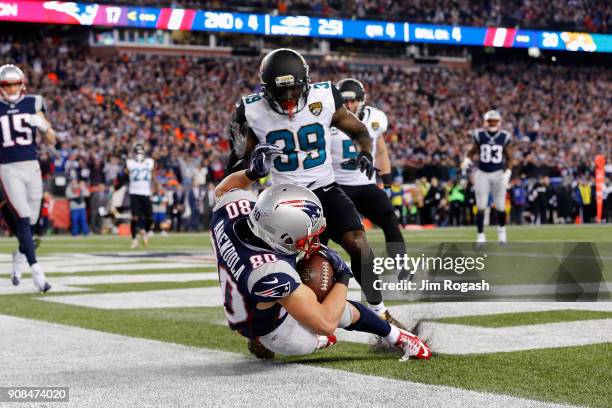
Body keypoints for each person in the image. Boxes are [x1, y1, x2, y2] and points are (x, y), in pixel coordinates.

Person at [226, 49, 404, 328]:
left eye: (294, 89)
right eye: (280, 92)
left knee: (358, 242)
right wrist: (252, 163)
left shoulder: (325, 96)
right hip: (281, 197)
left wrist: (366, 153)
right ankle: (263, 328)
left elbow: (359, 131)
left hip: (323, 186)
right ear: (265, 90)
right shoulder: (249, 109)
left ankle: (379, 310)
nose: (288, 99)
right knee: (273, 266)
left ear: (306, 82)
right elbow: (235, 160)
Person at [213, 143, 430, 360]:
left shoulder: (233, 211)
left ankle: (397, 336)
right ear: (282, 236)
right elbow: (325, 322)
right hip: (266, 326)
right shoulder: (270, 271)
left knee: (335, 305)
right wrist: (343, 276)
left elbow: (223, 190)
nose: (313, 240)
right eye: (306, 237)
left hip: (254, 290)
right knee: (317, 328)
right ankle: (310, 342)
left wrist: (252, 173)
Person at [330, 78, 408, 280]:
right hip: (336, 185)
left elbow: (380, 151)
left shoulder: (376, 118)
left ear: (362, 100)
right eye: (345, 100)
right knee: (325, 232)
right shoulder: (328, 117)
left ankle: (401, 265)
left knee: (390, 218)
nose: (349, 105)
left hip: (365, 184)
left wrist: (387, 182)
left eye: (354, 100)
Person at [0, 64, 54, 291]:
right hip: (8, 168)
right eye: (6, 85)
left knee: (31, 222)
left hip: (32, 167)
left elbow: (51, 138)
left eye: (15, 84)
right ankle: (36, 271)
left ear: (22, 84)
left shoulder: (34, 102)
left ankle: (19, 258)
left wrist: (42, 125)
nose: (11, 89)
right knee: (22, 216)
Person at [461, 110, 513, 245]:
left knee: (501, 206)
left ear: (499, 122)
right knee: (481, 205)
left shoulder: (504, 137)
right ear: (486, 121)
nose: (492, 123)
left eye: (494, 121)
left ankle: (502, 234)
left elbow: (510, 158)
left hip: (498, 174)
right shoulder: (479, 135)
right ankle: (480, 236)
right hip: (483, 173)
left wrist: (508, 172)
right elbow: (471, 151)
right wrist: (467, 159)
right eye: (490, 121)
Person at [126, 143, 154, 248]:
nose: (139, 154)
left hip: (146, 192)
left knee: (150, 217)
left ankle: (145, 232)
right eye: (137, 152)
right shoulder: (130, 163)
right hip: (134, 192)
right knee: (134, 217)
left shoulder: (149, 162)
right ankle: (134, 238)